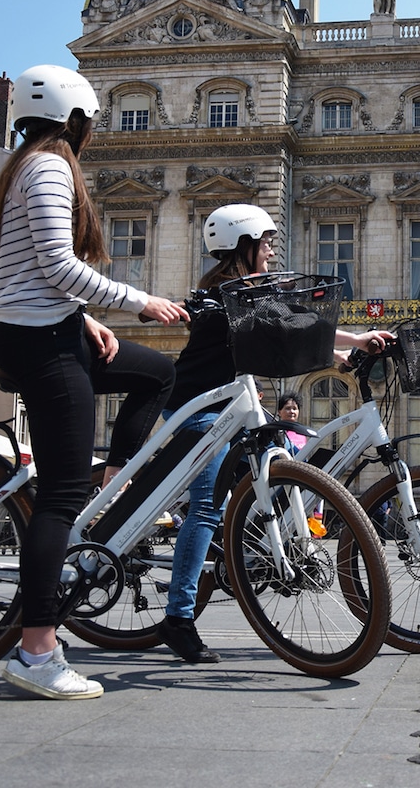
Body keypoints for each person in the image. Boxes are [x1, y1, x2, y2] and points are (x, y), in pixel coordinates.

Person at [0, 64, 189, 700]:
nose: (92, 130)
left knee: (157, 371)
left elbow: (29, 270)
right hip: (40, 340)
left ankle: (115, 480)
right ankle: (36, 651)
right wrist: (140, 302)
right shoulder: (48, 167)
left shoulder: (25, 165)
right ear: (73, 118)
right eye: (90, 120)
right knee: (59, 497)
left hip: (48, 327)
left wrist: (84, 319)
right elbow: (56, 263)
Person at [158, 203, 393, 664]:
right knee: (205, 507)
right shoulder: (229, 294)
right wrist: (355, 339)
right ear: (242, 245)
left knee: (274, 454)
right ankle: (178, 619)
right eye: (265, 242)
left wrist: (339, 354)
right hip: (197, 408)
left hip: (228, 408)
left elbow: (291, 326)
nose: (270, 250)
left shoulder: (246, 291)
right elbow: (289, 323)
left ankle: (254, 550)